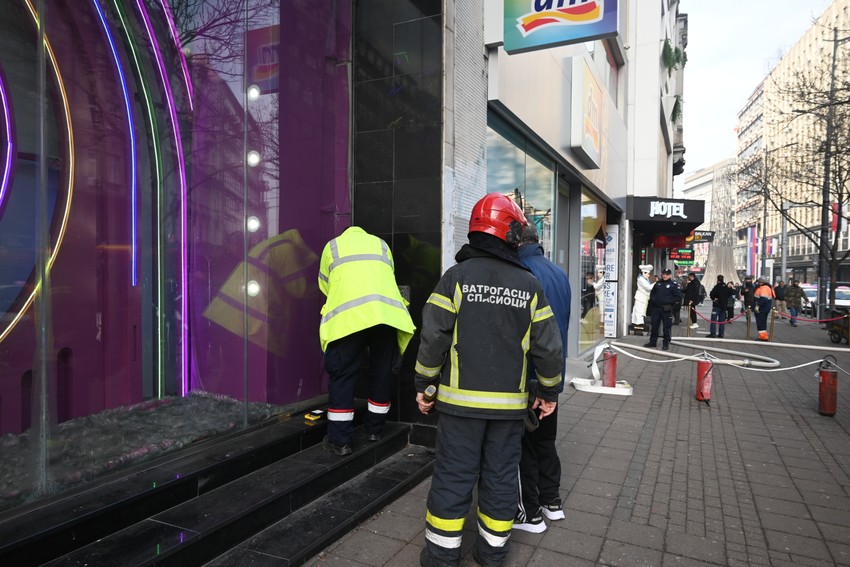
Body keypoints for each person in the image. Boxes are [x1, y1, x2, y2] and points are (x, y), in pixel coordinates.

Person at [414, 193, 563, 567]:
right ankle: (492, 555)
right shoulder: (529, 285)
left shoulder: (455, 279)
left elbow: (433, 339)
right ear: (510, 235)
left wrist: (424, 387)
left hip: (459, 408)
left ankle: (441, 557)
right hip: (509, 412)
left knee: (453, 477)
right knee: (499, 481)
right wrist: (549, 392)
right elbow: (548, 347)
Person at [318, 226, 416, 456]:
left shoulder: (332, 246)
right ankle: (375, 430)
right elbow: (388, 275)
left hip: (348, 319)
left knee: (343, 375)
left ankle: (340, 441)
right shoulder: (381, 244)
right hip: (385, 315)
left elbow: (325, 285)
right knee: (382, 371)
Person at [514, 224, 571, 534]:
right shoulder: (558, 273)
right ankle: (553, 503)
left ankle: (531, 512)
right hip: (552, 372)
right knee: (546, 441)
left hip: (529, 374)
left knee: (525, 445)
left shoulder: (521, 272)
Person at [644, 268, 682, 351]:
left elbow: (678, 297)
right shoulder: (658, 283)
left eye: (667, 274)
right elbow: (652, 293)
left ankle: (666, 343)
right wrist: (654, 300)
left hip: (666, 309)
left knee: (666, 327)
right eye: (664, 274)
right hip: (656, 308)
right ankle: (653, 341)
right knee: (654, 325)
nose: (665, 275)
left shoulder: (674, 284)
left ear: (670, 275)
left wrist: (670, 303)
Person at [753, 276, 776, 341]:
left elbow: (764, 299)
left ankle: (763, 337)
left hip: (762, 308)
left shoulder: (764, 288)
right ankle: (763, 335)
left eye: (759, 281)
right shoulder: (768, 287)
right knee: (762, 322)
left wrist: (758, 306)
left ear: (761, 282)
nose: (758, 283)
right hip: (765, 308)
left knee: (760, 322)